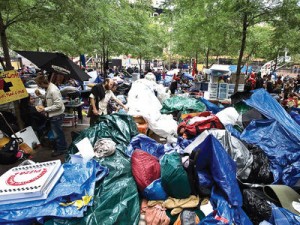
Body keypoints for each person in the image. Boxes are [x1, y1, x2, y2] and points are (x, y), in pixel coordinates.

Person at [34, 74, 68, 157]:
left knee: (58, 133)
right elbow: (49, 98)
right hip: (54, 114)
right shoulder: (49, 88)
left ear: (42, 83)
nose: (39, 86)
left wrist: (44, 109)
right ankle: (61, 147)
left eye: (38, 84)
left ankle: (62, 149)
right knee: (57, 132)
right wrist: (40, 95)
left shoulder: (53, 90)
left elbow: (58, 105)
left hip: (57, 115)